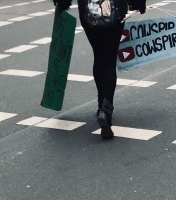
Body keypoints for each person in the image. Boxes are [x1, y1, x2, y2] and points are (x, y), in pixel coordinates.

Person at [54, 0, 146, 139]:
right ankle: (105, 109)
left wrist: (62, 3)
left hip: (88, 11)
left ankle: (101, 104)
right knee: (109, 61)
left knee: (99, 55)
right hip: (116, 9)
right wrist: (139, 3)